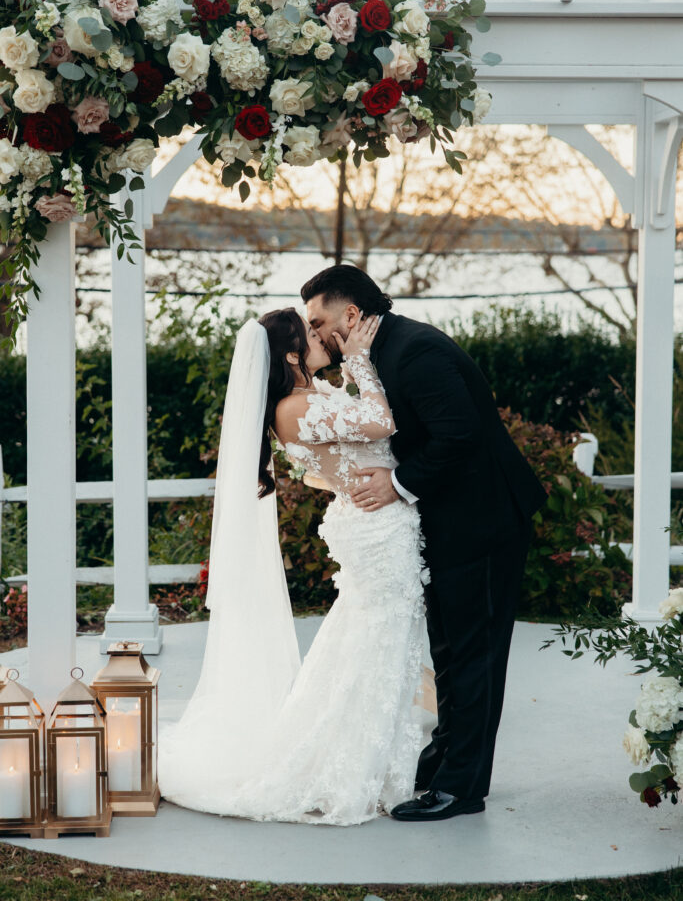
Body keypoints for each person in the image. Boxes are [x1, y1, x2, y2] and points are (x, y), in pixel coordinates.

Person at [158, 307, 429, 825]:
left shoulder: (309, 397)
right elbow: (381, 422)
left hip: (374, 520)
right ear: (290, 355)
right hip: (375, 529)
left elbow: (331, 463)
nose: (320, 334)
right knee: (377, 643)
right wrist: (360, 360)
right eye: (310, 332)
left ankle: (363, 764)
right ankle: (345, 771)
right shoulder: (295, 407)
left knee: (370, 642)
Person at [301, 265, 547, 821]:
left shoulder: (415, 351)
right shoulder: (380, 351)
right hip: (445, 524)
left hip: (483, 521)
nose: (314, 334)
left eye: (318, 323)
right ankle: (443, 763)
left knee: (475, 656)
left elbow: (459, 434)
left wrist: (397, 484)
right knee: (450, 652)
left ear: (351, 315)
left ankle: (462, 788)